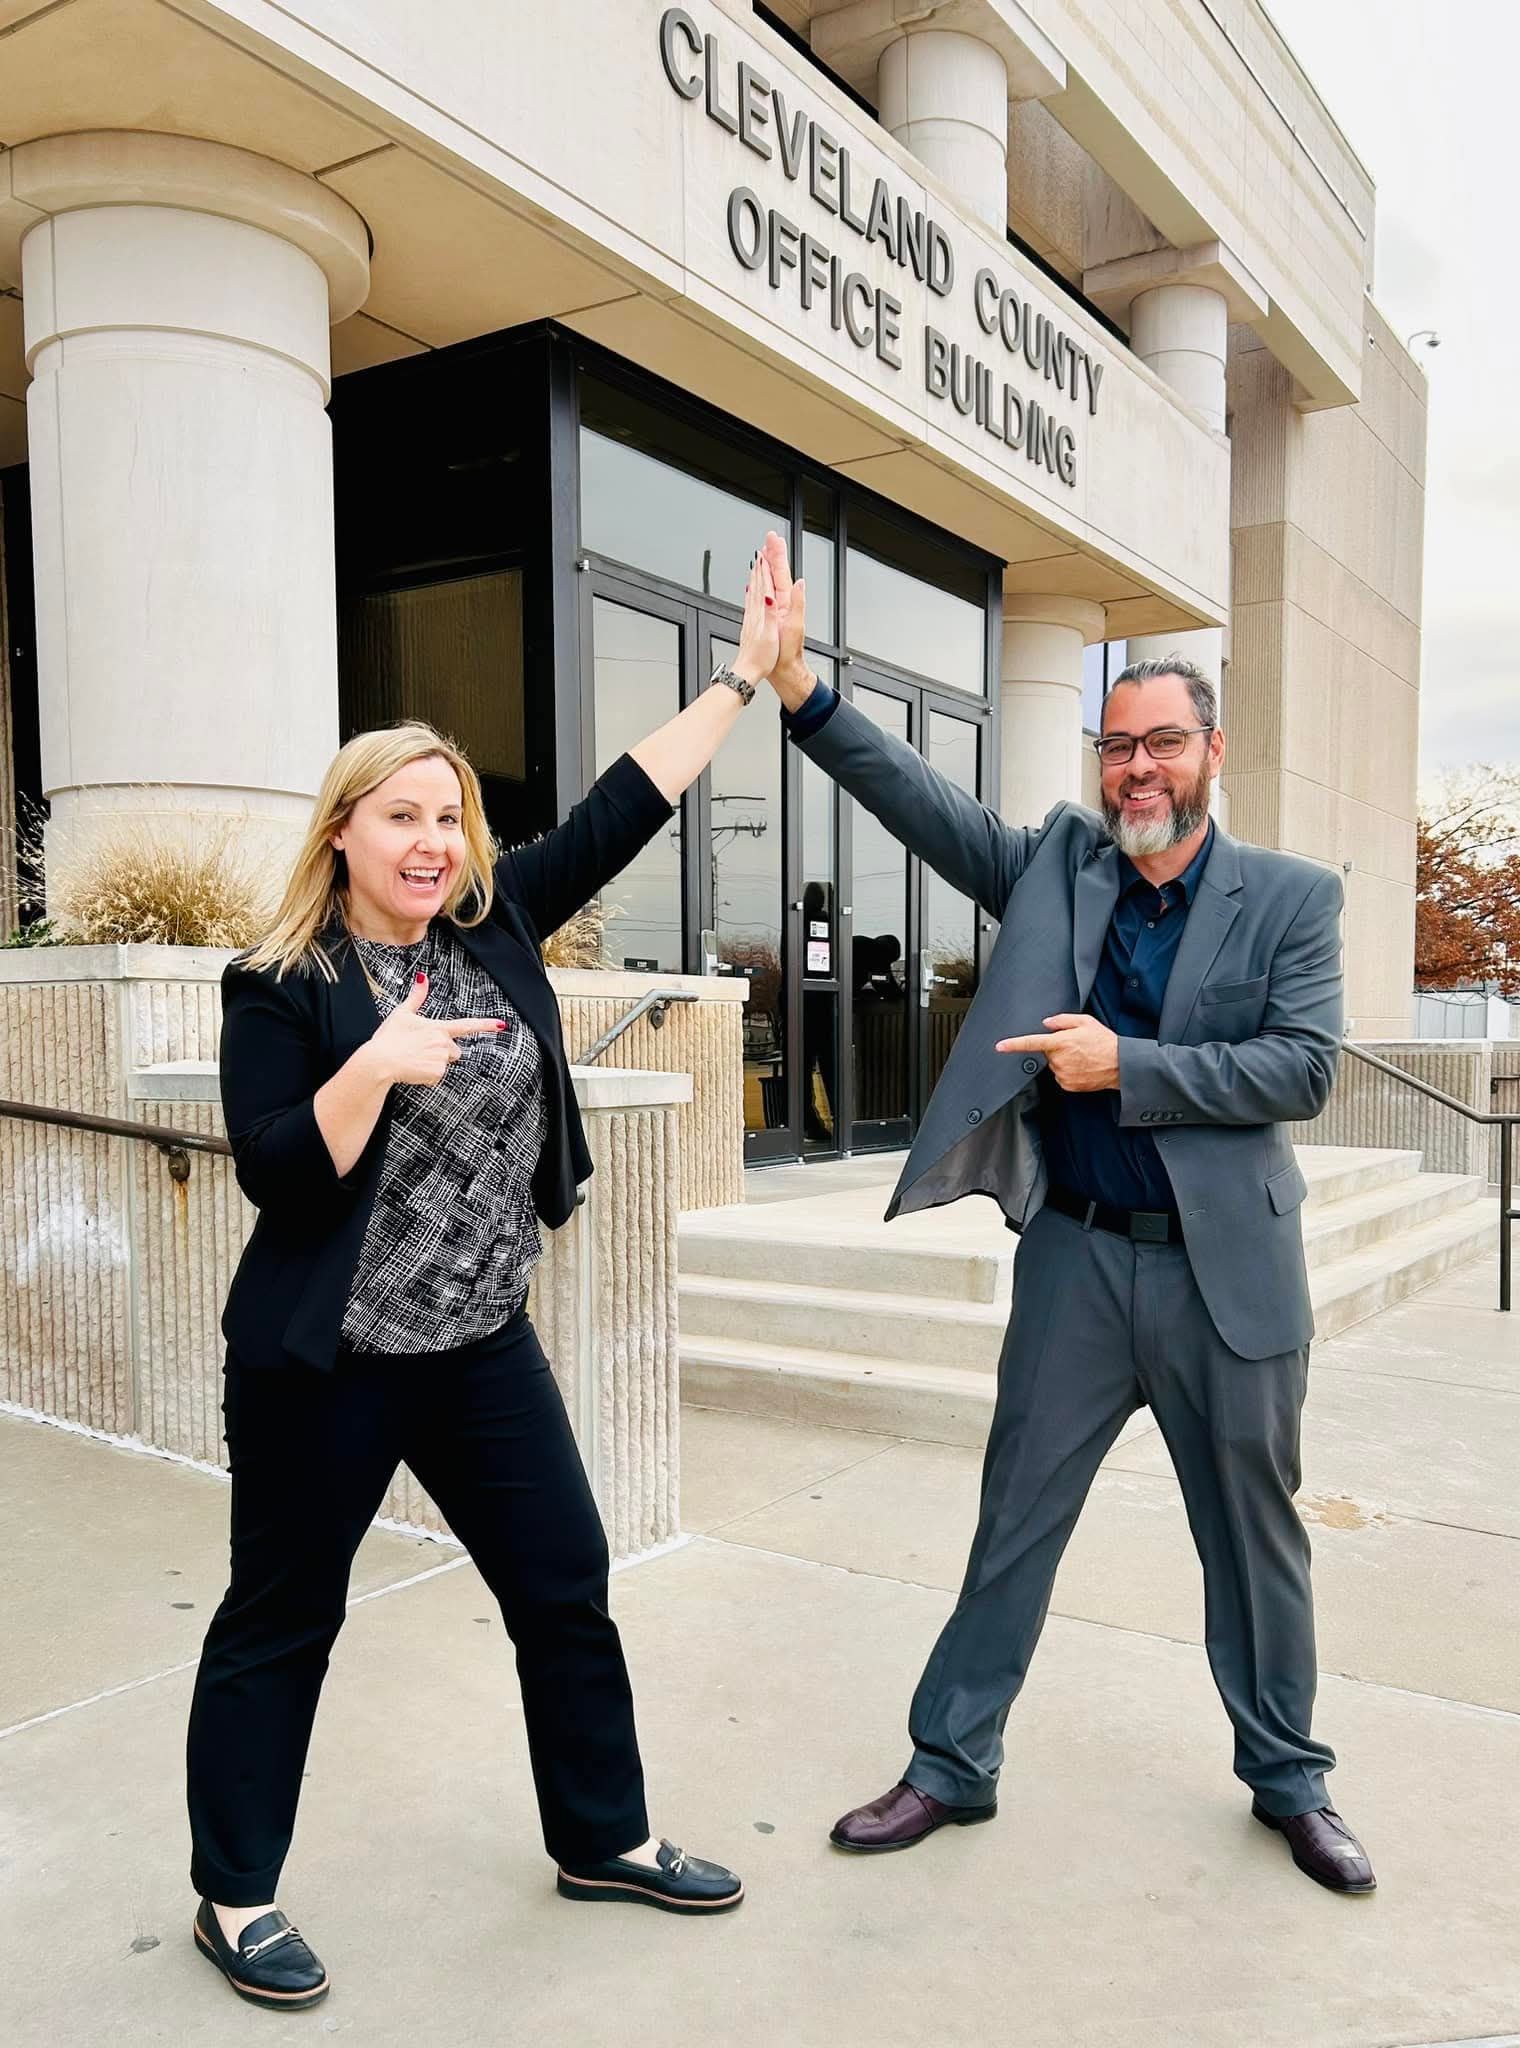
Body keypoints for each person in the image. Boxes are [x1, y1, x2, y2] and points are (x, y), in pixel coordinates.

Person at [185, 549, 787, 2012]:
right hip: (327, 1364)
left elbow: (622, 805)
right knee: (283, 1615)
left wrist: (741, 680)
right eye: (403, 816)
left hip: (476, 1347)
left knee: (565, 1582)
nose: (434, 840)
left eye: (448, 816)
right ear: (344, 834)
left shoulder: (491, 926)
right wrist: (368, 1071)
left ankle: (603, 1837)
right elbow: (271, 1168)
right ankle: (235, 1896)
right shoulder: (281, 984)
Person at [756, 532, 1376, 1899]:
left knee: (1256, 1539)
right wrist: (804, 691)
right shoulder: (1060, 865)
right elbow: (921, 803)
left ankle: (1290, 1778)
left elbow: (1307, 1068)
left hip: (1229, 1279)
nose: (1136, 769)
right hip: (1080, 1260)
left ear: (1211, 752)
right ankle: (951, 1763)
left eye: (1160, 743)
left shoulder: (1292, 900)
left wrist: (1130, 1068)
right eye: (1115, 747)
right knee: (1013, 1521)